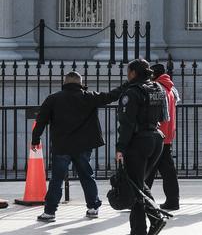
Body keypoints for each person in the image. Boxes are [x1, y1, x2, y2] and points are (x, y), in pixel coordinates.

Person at [32, 71, 123, 223]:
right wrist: (127, 84)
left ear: (65, 82)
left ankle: (49, 212)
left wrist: (35, 139)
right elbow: (111, 96)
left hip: (62, 146)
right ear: (81, 83)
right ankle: (93, 207)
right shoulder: (89, 96)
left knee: (57, 179)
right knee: (87, 176)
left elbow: (41, 120)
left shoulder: (53, 98)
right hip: (83, 145)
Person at [116, 59, 169, 235]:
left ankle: (145, 226)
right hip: (156, 139)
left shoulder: (132, 92)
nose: (126, 74)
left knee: (136, 188)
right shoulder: (157, 88)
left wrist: (120, 148)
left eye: (128, 71)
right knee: (138, 184)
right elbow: (163, 117)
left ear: (133, 73)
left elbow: (127, 123)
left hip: (138, 141)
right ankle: (148, 223)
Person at [145, 64, 180, 211]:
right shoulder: (170, 88)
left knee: (147, 168)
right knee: (166, 171)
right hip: (167, 134)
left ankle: (141, 199)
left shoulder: (157, 88)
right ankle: (172, 200)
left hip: (157, 133)